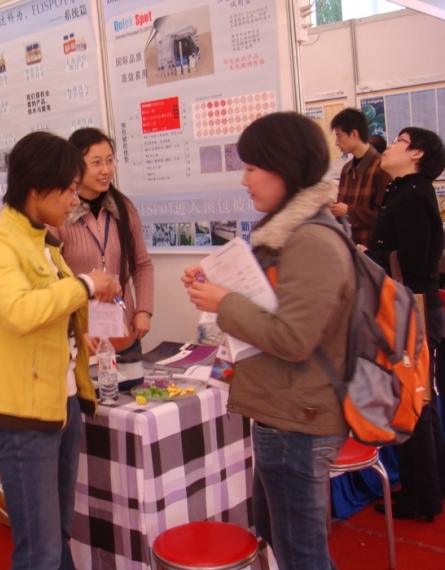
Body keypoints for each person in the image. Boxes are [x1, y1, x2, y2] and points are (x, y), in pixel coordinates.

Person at [182, 112, 355, 569]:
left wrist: (223, 301)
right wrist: (216, 288)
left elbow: (293, 338)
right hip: (287, 411)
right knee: (284, 540)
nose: (245, 180)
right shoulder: (290, 233)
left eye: (253, 167)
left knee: (301, 554)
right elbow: (276, 308)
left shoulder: (311, 240)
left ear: (286, 167)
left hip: (299, 418)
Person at [0, 131, 121, 569]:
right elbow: (20, 312)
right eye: (69, 189)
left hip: (61, 401)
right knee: (40, 549)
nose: (75, 199)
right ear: (35, 188)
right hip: (21, 413)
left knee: (58, 537)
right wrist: (86, 283)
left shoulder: (42, 242)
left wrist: (75, 339)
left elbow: (46, 317)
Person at [364, 126, 445, 522]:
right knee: (417, 400)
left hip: (412, 307)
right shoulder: (404, 191)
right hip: (409, 305)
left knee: (416, 402)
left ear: (416, 154)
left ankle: (422, 499)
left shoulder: (413, 196)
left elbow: (413, 261)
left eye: (399, 141)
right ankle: (427, 489)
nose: (389, 145)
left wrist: (369, 257)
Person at [48, 127, 154, 355]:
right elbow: (51, 280)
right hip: (80, 338)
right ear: (75, 167)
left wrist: (144, 311)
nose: (106, 170)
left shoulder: (123, 208)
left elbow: (142, 264)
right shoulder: (59, 216)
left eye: (109, 161)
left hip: (124, 333)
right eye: (96, 163)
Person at [329, 107, 392, 247]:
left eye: (339, 136)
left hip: (371, 250)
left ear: (354, 134)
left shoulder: (382, 167)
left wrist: (348, 210)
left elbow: (385, 217)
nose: (336, 143)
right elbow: (343, 209)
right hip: (347, 247)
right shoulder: (346, 169)